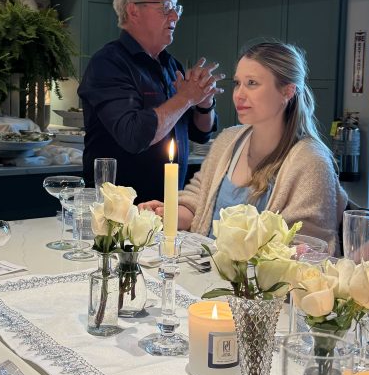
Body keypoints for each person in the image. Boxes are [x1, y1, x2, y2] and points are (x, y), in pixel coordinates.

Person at [141, 41, 347, 247]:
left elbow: (310, 250)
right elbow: (196, 204)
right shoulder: (228, 141)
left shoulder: (311, 162)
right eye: (237, 83)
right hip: (203, 264)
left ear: (287, 92)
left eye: (252, 83)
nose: (239, 94)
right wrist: (168, 214)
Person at [78, 0, 222, 202]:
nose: (175, 16)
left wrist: (205, 103)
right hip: (119, 211)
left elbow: (201, 134)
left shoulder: (171, 65)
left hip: (167, 206)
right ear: (133, 10)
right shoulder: (108, 63)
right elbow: (134, 136)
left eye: (176, 8)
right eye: (165, 7)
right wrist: (185, 98)